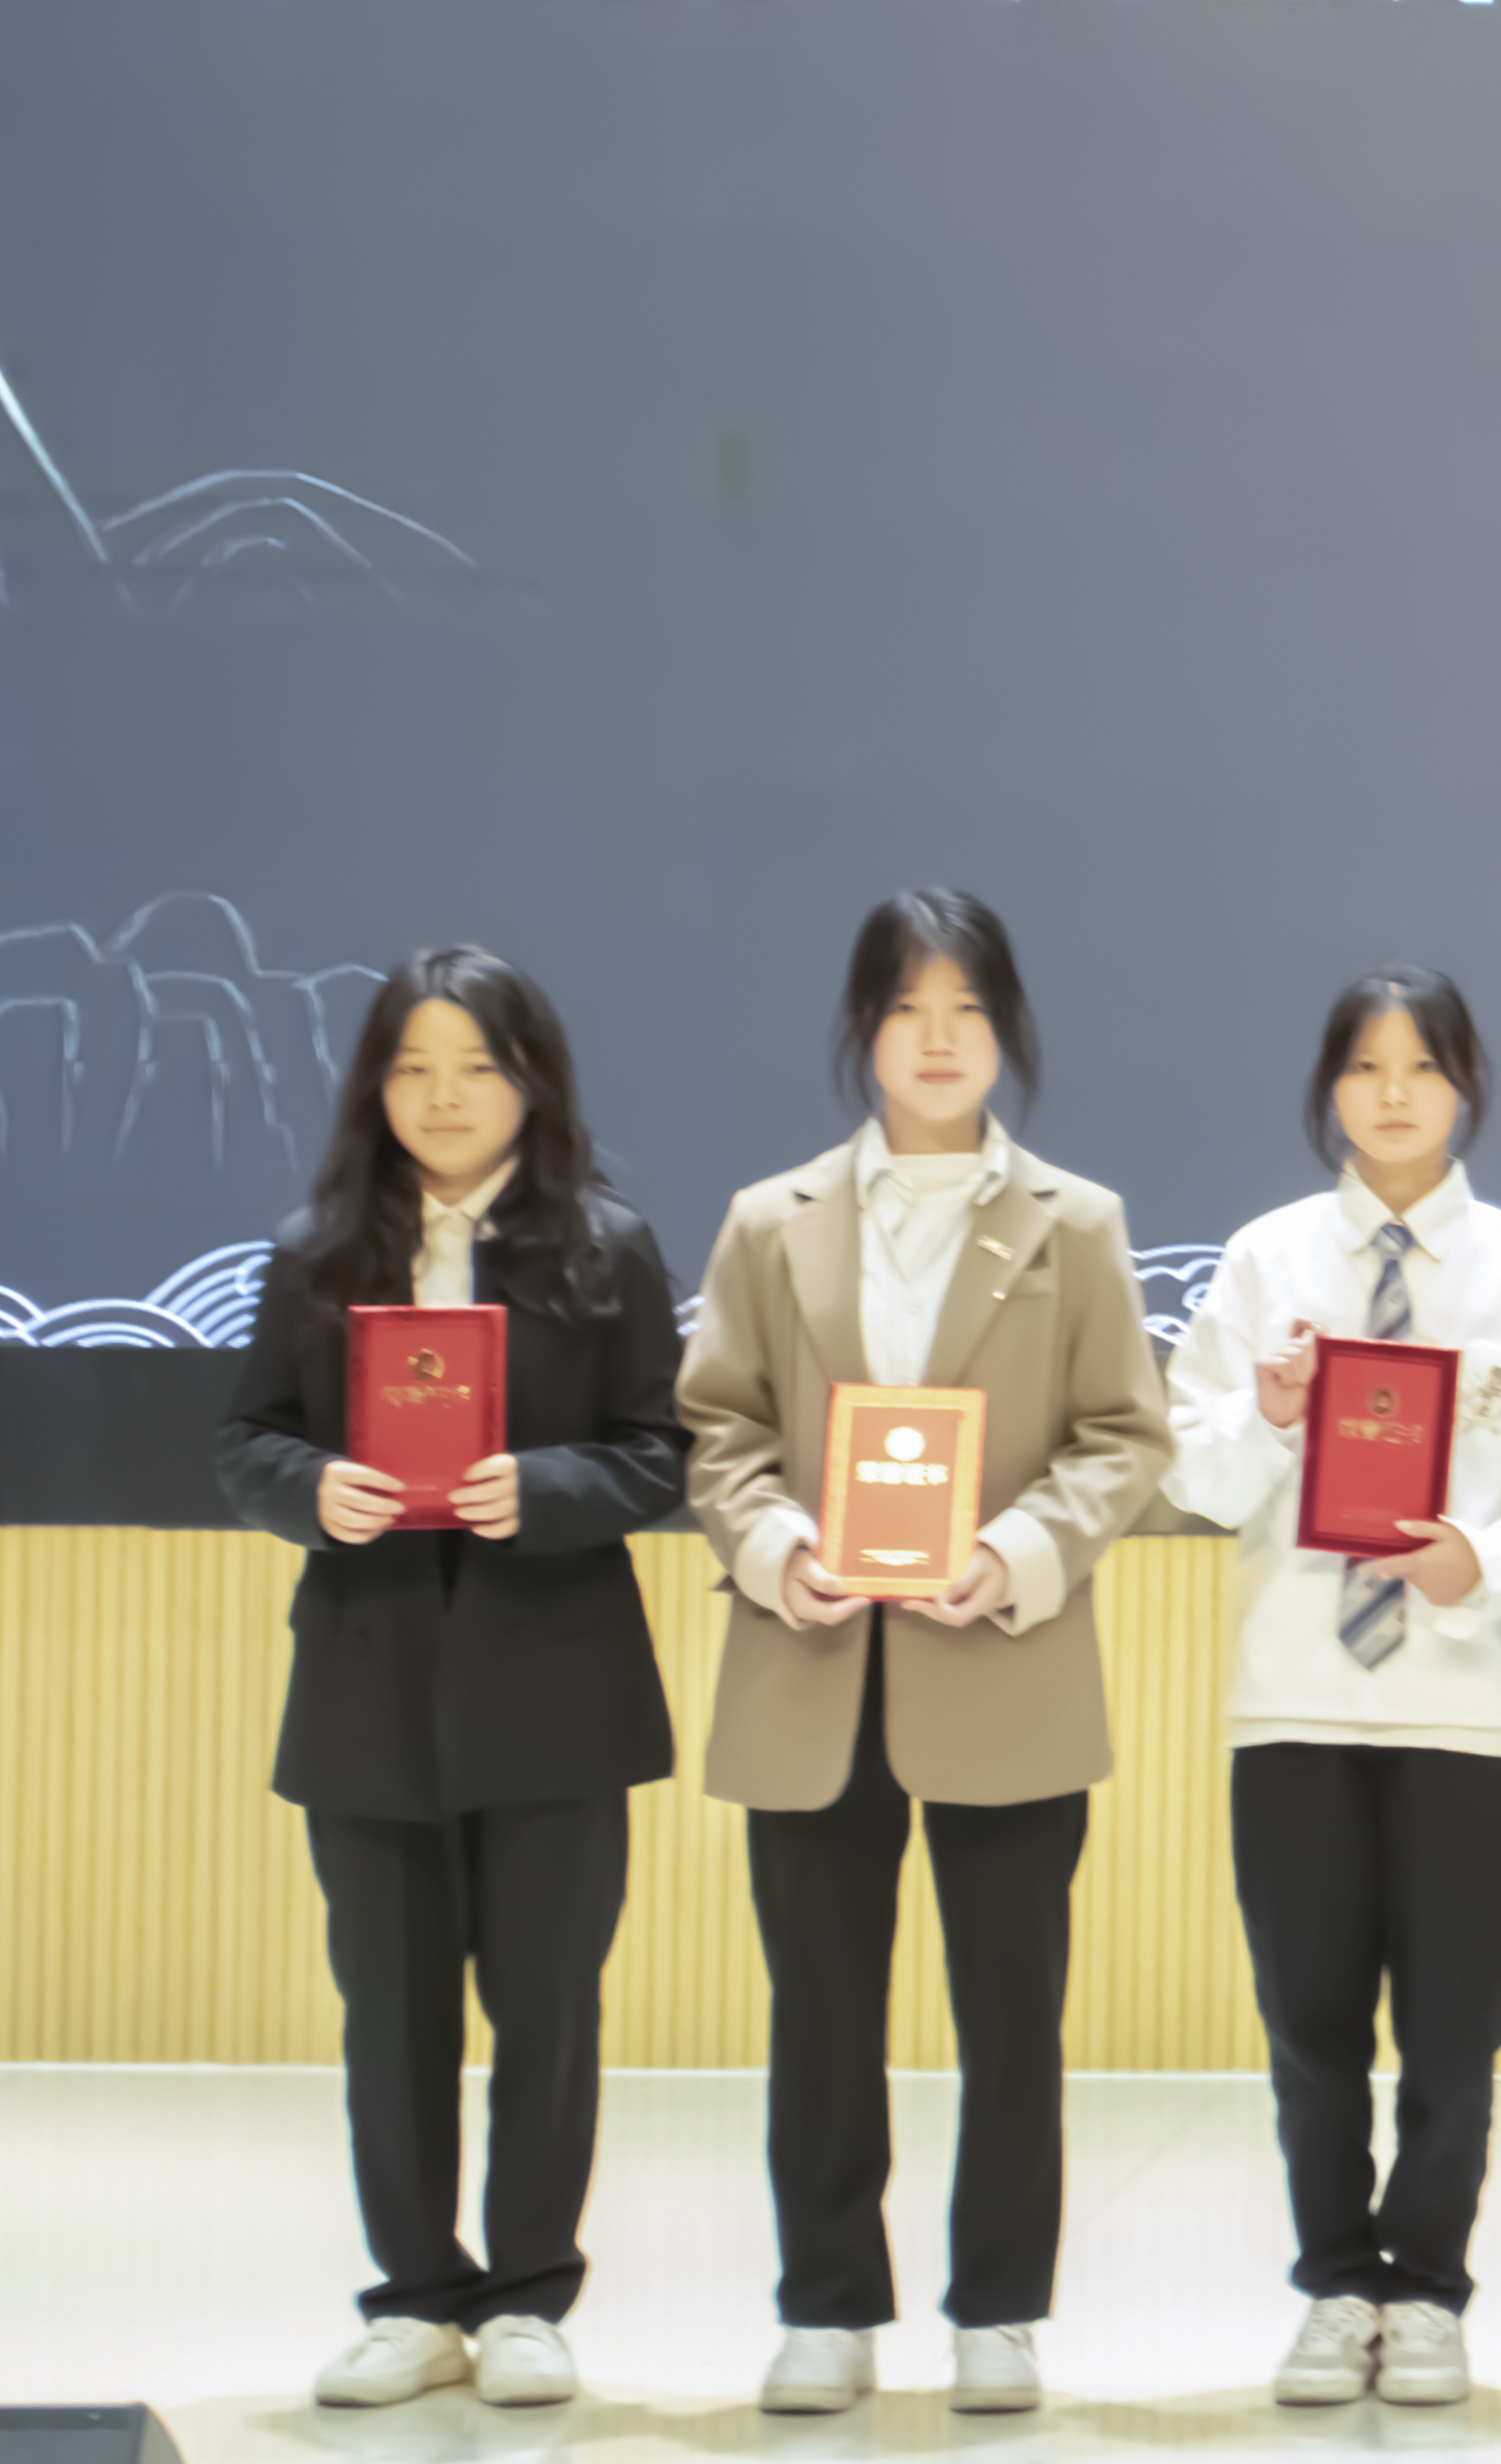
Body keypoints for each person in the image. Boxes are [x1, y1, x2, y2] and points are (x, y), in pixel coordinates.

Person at [674, 889, 1174, 2416]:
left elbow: (1123, 1437)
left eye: (967, 1011)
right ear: (864, 1031)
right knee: (819, 2013)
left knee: (1012, 2015)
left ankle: (1000, 2310)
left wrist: (1013, 1552)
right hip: (812, 1671)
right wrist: (777, 1546)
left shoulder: (1075, 1223)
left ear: (1005, 1031)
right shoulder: (770, 1220)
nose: (938, 1040)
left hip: (1003, 1666)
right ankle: (825, 2306)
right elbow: (719, 1428)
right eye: (907, 1010)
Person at [214, 949, 689, 2413]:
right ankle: (414, 2296)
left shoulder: (607, 1249)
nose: (443, 1096)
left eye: (477, 1066)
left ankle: (532, 2293)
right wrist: (313, 1489)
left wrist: (541, 1487)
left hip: (556, 1689)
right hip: (370, 1690)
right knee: (392, 2012)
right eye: (413, 1067)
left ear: (531, 1082)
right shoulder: (315, 1252)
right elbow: (246, 1440)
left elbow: (659, 1454)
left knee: (549, 2008)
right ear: (376, 1085)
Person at [1163, 969, 1501, 2408]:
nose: (1396, 1092)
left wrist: (1483, 1560)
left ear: (1465, 1084)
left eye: (1424, 1065)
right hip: (1295, 1696)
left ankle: (1424, 2288)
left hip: (1462, 1704)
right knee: (1308, 2027)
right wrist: (1268, 1414)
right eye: (1366, 1067)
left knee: (1452, 2030)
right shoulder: (1262, 1263)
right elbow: (1196, 1474)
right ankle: (1332, 2282)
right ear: (1330, 1090)